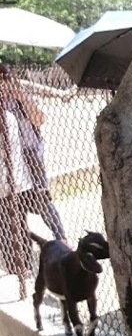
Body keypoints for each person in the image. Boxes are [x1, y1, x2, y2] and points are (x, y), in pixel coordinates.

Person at [0, 64, 67, 241]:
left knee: (41, 200)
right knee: (12, 206)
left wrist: (21, 96)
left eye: (5, 81)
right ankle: (21, 248)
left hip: (29, 155)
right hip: (7, 161)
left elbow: (39, 119)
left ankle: (61, 238)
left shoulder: (19, 99)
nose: (3, 86)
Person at [0, 72, 34, 300]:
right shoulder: (8, 116)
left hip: (15, 182)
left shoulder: (11, 116)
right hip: (6, 181)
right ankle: (15, 271)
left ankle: (25, 271)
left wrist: (21, 94)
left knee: (19, 224)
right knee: (5, 227)